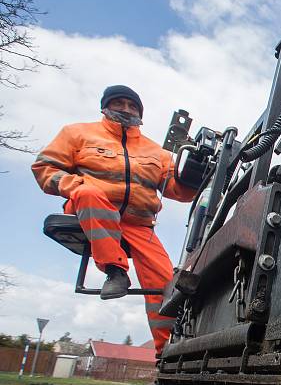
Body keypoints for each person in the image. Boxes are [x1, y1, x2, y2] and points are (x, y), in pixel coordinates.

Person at [31, 85, 196, 355]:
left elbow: (178, 191)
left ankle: (167, 351)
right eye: (119, 103)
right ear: (105, 107)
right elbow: (44, 168)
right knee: (89, 192)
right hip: (89, 209)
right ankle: (115, 271)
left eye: (132, 106)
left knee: (165, 284)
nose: (126, 109)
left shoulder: (157, 153)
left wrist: (195, 176)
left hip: (138, 224)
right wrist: (74, 184)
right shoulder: (77, 133)